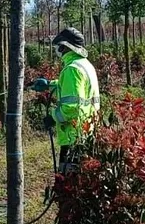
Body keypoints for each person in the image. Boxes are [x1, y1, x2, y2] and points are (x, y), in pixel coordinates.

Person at [30, 27, 100, 173]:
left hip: (73, 135)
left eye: (59, 46)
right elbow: (73, 88)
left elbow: (72, 107)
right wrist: (49, 85)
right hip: (87, 131)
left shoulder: (71, 70)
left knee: (68, 180)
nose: (58, 50)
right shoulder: (84, 65)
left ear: (65, 46)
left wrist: (53, 117)